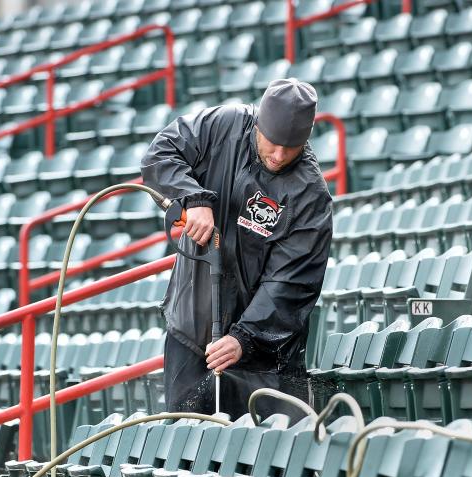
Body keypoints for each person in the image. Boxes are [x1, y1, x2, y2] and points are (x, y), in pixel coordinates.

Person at [140, 78, 333, 421]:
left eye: (291, 148)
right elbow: (161, 154)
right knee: (186, 444)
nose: (278, 155)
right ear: (258, 123)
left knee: (263, 455)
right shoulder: (223, 125)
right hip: (191, 326)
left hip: (262, 353)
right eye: (272, 143)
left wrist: (245, 337)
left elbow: (291, 283)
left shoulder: (310, 195)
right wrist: (193, 198)